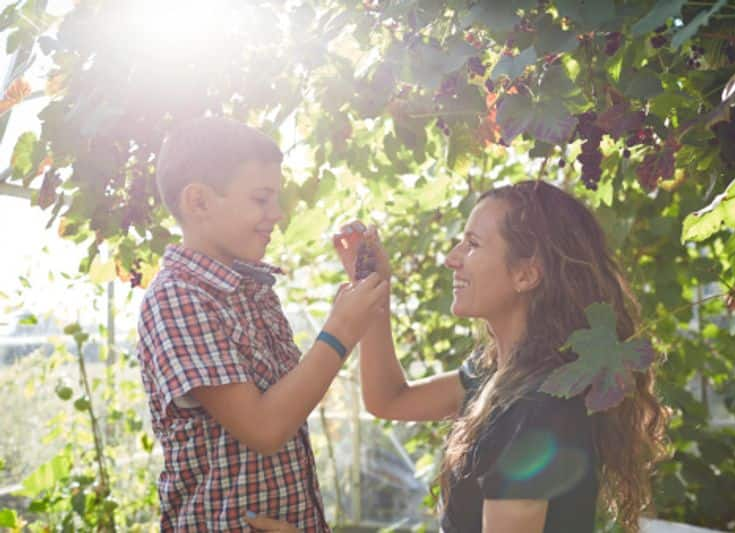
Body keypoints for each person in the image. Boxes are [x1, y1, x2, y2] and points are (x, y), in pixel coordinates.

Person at [333, 180, 669, 532]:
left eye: (472, 244)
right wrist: (374, 288)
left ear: (525, 274)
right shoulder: (496, 374)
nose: (451, 259)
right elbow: (389, 399)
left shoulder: (538, 410)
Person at [136, 116, 388, 532]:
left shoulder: (252, 290)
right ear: (197, 201)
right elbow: (264, 427)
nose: (277, 213)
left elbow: (288, 402)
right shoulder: (177, 298)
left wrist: (367, 288)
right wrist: (340, 330)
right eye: (260, 199)